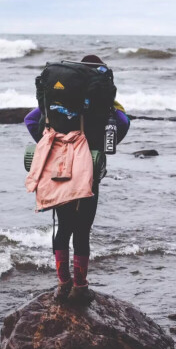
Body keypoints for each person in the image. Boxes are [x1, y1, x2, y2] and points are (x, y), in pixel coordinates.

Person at [24, 54, 130, 303]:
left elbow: (30, 120)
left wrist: (49, 143)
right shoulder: (100, 108)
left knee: (62, 227)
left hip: (57, 168)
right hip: (87, 170)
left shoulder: (55, 103)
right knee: (82, 230)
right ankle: (80, 286)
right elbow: (122, 124)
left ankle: (63, 284)